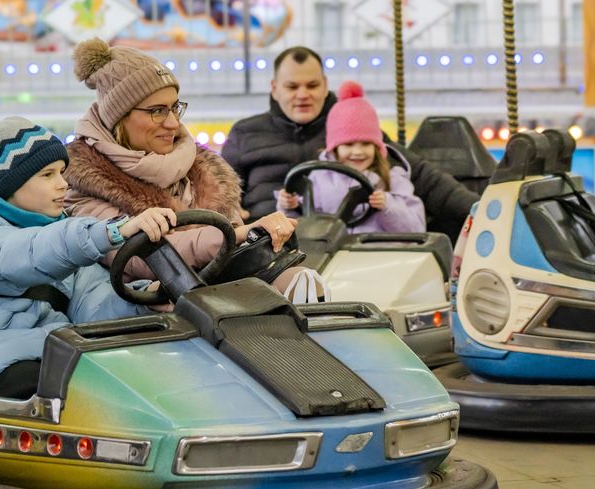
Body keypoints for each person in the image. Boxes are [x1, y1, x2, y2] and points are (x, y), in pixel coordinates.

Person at [62, 38, 327, 303]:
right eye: (157, 111)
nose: (173, 123)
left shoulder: (204, 170)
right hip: (150, 312)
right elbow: (138, 257)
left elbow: (237, 257)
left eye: (174, 108)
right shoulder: (84, 182)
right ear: (119, 117)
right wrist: (234, 235)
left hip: (215, 300)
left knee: (305, 283)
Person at [0, 114, 176, 397]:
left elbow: (92, 303)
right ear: (10, 184)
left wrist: (143, 299)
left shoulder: (59, 232)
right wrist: (111, 231)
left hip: (53, 347)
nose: (63, 184)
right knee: (54, 394)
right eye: (47, 175)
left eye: (61, 172)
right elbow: (26, 253)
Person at [221, 46, 478, 240]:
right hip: (268, 244)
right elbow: (216, 190)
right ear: (275, 88)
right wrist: (230, 212)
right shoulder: (246, 134)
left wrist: (478, 210)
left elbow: (424, 178)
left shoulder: (354, 127)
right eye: (292, 87)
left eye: (312, 85)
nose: (303, 95)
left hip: (343, 243)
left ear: (325, 86)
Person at [276, 81, 424, 234]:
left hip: (376, 246)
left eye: (366, 144)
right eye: (348, 144)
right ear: (335, 148)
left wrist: (387, 205)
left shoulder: (393, 179)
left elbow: (416, 229)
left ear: (376, 147)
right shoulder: (319, 179)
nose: (358, 152)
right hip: (330, 246)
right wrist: (289, 207)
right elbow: (302, 228)